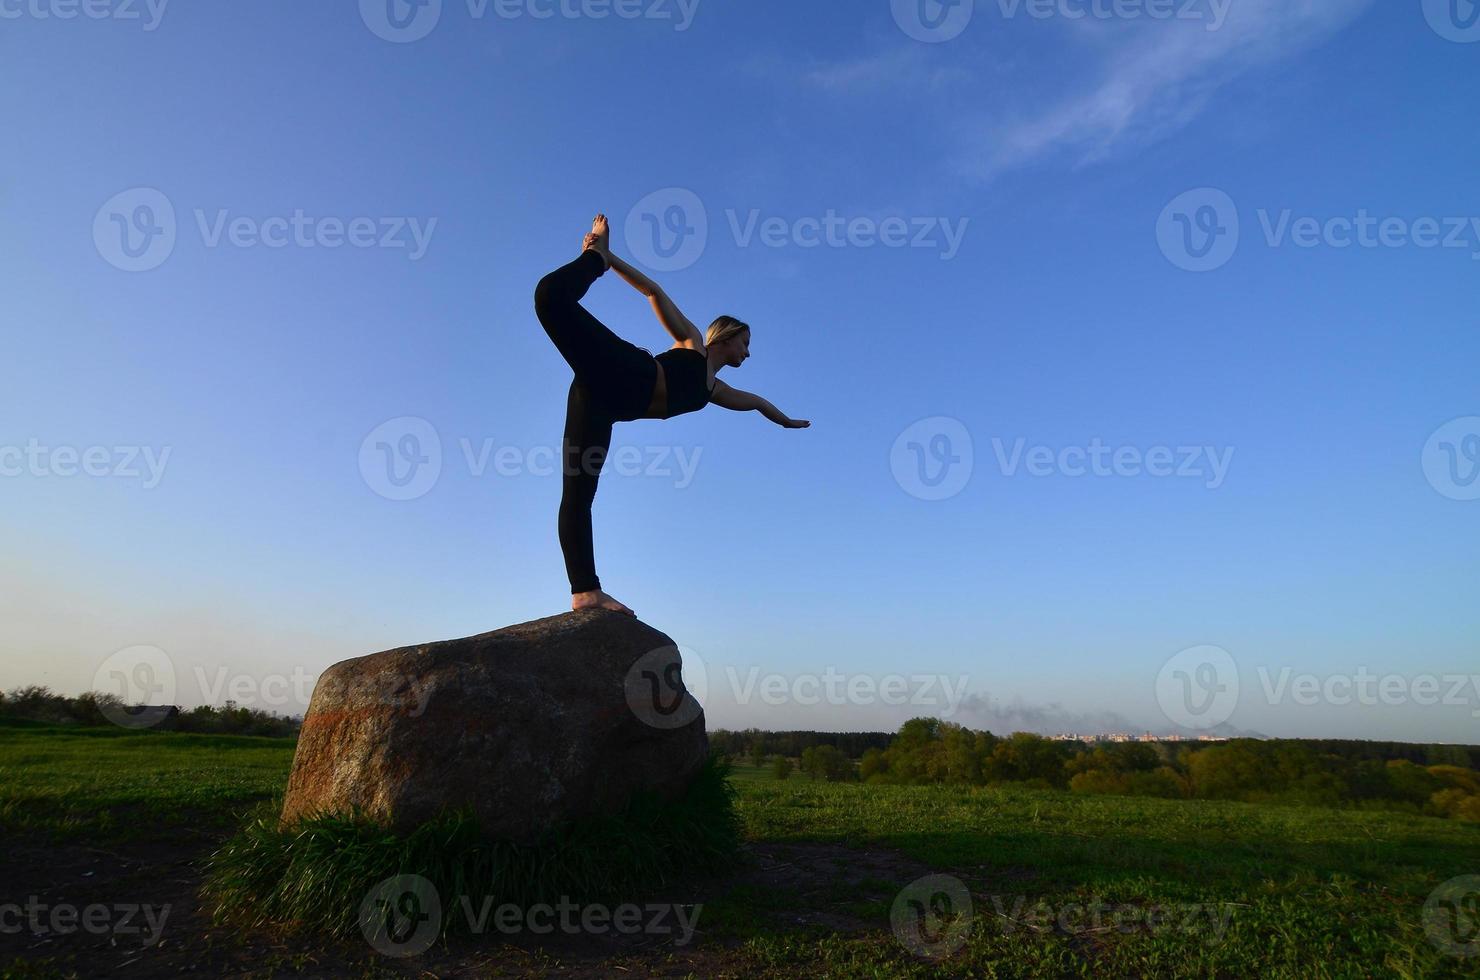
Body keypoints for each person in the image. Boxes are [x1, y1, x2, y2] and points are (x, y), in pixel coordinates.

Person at [532, 214, 810, 615]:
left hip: (602, 403)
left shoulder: (716, 391)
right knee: (550, 297)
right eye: (745, 343)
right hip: (625, 368)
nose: (747, 353)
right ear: (727, 337)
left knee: (578, 495)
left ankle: (585, 591)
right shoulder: (692, 343)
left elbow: (756, 403)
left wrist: (785, 421)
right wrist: (607, 256)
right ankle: (593, 260)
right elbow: (652, 291)